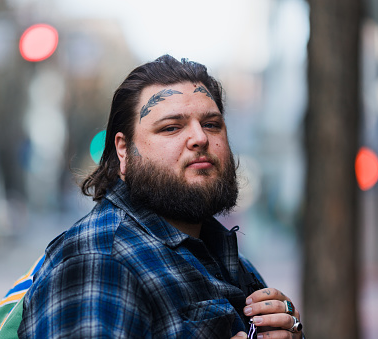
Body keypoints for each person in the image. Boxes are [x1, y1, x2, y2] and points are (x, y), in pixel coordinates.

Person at [18, 55, 303, 338]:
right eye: (171, 127)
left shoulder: (224, 255)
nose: (200, 138)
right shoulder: (100, 261)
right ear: (123, 151)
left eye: (212, 124)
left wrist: (291, 332)